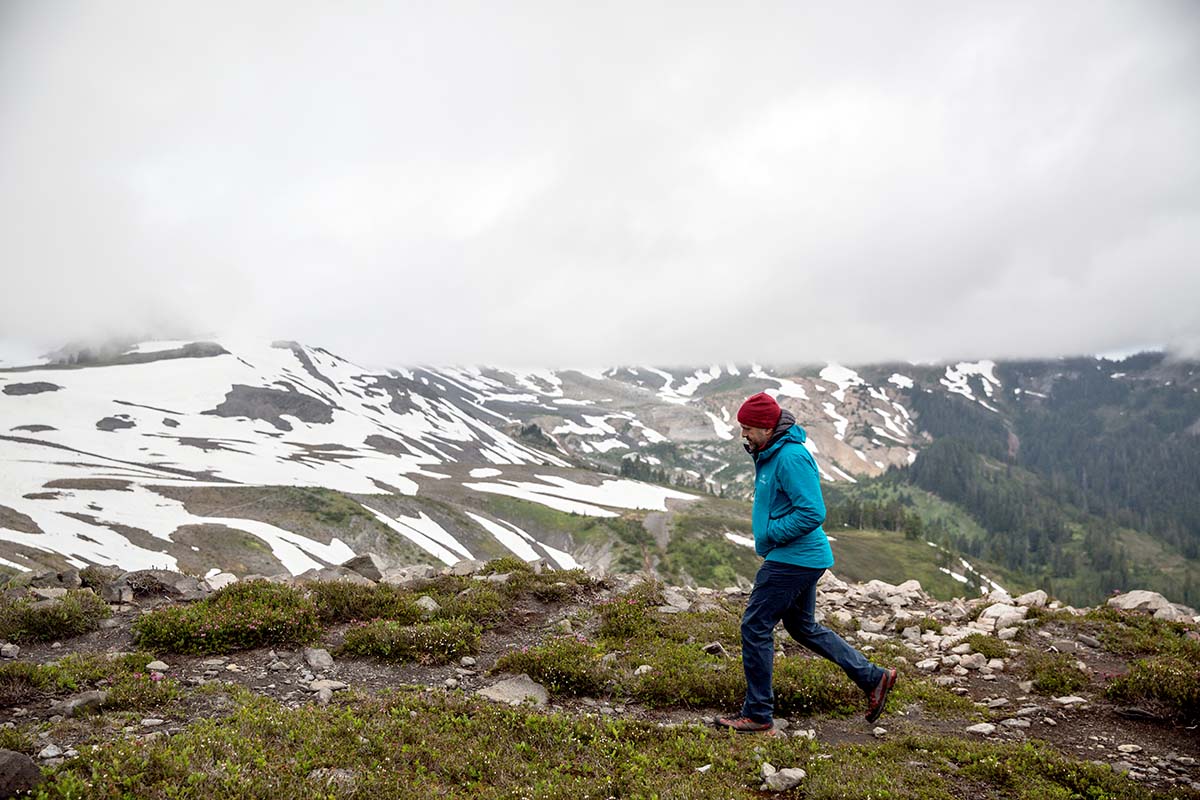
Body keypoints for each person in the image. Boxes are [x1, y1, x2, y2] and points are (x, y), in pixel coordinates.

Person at [717, 391, 896, 733]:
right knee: (802, 627)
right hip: (800, 556)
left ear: (768, 428)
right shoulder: (770, 451)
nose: (744, 435)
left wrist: (770, 534)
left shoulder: (791, 457)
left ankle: (757, 713)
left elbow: (813, 511)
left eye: (749, 428)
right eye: (742, 428)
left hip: (792, 558)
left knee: (754, 627)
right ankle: (874, 678)